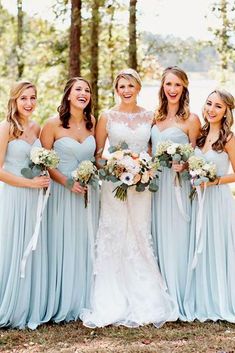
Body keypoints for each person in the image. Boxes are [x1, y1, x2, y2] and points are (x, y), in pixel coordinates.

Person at [80, 68, 177, 328]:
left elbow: (151, 151)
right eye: (121, 86)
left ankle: (146, 297)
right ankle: (112, 300)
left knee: (139, 233)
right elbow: (98, 156)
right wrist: (115, 164)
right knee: (114, 234)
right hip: (114, 186)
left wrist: (142, 169)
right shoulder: (106, 116)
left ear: (138, 88)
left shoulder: (150, 116)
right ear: (116, 89)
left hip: (142, 186)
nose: (126, 90)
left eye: (130, 86)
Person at [40, 77, 99, 323]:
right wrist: (66, 182)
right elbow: (43, 161)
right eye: (78, 89)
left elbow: (96, 156)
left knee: (86, 242)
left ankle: (86, 298)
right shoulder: (52, 125)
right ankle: (62, 299)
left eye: (87, 90)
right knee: (63, 242)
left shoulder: (92, 122)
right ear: (68, 95)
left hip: (88, 192)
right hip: (62, 193)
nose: (83, 93)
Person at [151, 66, 201, 320]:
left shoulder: (192, 120)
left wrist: (185, 164)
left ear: (184, 89)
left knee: (178, 237)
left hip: (178, 187)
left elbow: (198, 156)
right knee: (156, 236)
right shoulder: (154, 117)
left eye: (177, 85)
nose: (172, 90)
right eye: (168, 84)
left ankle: (181, 294)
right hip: (155, 188)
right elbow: (148, 152)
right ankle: (159, 297)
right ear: (162, 87)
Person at [0, 81, 50, 329]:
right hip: (14, 195)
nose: (29, 103)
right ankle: (10, 304)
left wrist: (44, 176)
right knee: (13, 245)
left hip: (34, 198)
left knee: (31, 246)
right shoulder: (6, 127)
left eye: (33, 98)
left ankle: (29, 304)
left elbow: (38, 161)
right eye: (24, 99)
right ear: (14, 101)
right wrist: (28, 184)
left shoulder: (36, 127)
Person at [184, 89, 235, 322]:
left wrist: (214, 181)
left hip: (218, 201)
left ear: (226, 112)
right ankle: (203, 299)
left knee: (218, 246)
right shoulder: (201, 135)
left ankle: (221, 299)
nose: (211, 110)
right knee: (200, 246)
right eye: (209, 104)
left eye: (218, 106)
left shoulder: (229, 139)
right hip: (198, 201)